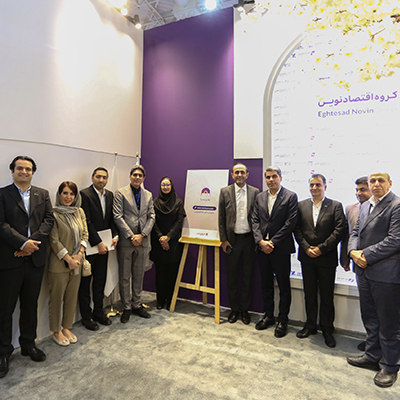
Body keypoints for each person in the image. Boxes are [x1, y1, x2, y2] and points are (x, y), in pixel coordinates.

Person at [0, 156, 54, 378]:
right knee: (5, 309)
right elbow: (1, 225)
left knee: (30, 305)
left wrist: (32, 245)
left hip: (35, 260)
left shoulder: (43, 194)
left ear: (33, 172)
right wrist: (22, 243)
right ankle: (3, 352)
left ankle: (28, 344)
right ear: (12, 171)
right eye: (19, 168)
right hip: (10, 260)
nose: (24, 171)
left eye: (28, 169)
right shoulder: (2, 194)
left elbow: (49, 220)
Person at [347, 172, 400, 388]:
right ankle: (372, 356)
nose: (376, 184)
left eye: (381, 180)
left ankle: (389, 366)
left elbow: (395, 240)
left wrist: (365, 255)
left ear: (389, 183)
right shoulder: (366, 205)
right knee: (370, 318)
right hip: (364, 273)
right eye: (373, 181)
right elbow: (355, 233)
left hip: (386, 275)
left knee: (388, 323)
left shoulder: (396, 205)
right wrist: (353, 252)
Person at [294, 173, 346, 348]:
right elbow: (297, 229)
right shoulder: (301, 205)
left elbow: (339, 230)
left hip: (326, 258)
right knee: (309, 294)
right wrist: (306, 247)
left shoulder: (335, 206)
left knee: (326, 296)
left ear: (325, 186)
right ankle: (310, 326)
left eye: (318, 185)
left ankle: (327, 329)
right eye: (312, 185)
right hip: (307, 257)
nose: (314, 188)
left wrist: (321, 248)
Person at [251, 166, 298, 337]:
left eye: (274, 176)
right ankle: (268, 315)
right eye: (268, 177)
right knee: (266, 284)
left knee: (284, 286)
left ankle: (283, 320)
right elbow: (254, 220)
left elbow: (290, 223)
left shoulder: (290, 196)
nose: (271, 180)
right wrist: (260, 241)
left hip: (280, 249)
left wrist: (272, 242)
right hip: (262, 249)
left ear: (280, 178)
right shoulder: (260, 197)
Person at [48, 182, 88, 346]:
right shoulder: (53, 214)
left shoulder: (79, 212)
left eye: (72, 194)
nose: (68, 197)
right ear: (59, 194)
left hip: (77, 262)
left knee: (71, 297)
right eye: (65, 193)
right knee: (56, 299)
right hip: (59, 263)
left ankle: (66, 327)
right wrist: (68, 259)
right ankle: (56, 331)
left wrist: (79, 255)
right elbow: (54, 240)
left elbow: (85, 234)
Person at [218, 163, 259, 325]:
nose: (239, 175)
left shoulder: (255, 192)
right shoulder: (225, 192)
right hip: (232, 241)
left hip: (249, 240)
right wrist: (223, 239)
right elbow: (221, 217)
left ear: (247, 174)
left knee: (247, 277)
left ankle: (244, 310)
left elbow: (258, 218)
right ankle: (234, 309)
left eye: (242, 172)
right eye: (237, 172)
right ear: (232, 175)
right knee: (232, 277)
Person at [113, 165, 155, 323]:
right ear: (130, 176)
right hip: (127, 241)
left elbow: (152, 216)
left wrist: (143, 235)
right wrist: (131, 235)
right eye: (134, 174)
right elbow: (117, 216)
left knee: (139, 275)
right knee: (125, 276)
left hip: (142, 241)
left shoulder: (148, 195)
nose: (137, 177)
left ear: (143, 178)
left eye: (140, 175)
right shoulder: (120, 193)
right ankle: (126, 307)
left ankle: (136, 304)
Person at [78, 168, 119, 331]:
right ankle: (86, 317)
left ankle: (98, 312)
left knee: (100, 281)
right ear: (92, 177)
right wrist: (98, 242)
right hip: (90, 247)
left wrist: (115, 235)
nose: (101, 180)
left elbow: (111, 219)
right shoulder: (84, 194)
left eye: (104, 177)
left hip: (105, 246)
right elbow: (86, 221)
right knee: (85, 283)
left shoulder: (110, 195)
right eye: (98, 177)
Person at [340, 176, 372, 352]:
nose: (359, 193)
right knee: (367, 306)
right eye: (357, 190)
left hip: (379, 265)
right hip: (358, 265)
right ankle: (372, 342)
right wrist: (346, 257)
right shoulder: (350, 209)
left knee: (382, 309)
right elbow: (348, 235)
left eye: (363, 190)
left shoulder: (387, 209)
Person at [150, 177, 186, 310]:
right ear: (160, 187)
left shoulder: (178, 202)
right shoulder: (154, 203)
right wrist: (161, 237)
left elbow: (179, 220)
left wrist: (168, 237)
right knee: (159, 273)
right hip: (158, 242)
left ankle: (171, 300)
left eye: (168, 184)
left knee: (172, 273)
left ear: (171, 186)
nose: (165, 187)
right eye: (163, 184)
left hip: (173, 243)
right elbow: (152, 221)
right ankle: (160, 300)